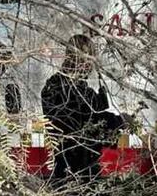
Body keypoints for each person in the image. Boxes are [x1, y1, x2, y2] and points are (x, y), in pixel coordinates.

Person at [41, 35, 125, 183]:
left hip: (84, 168)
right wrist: (119, 121)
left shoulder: (73, 88)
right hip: (72, 170)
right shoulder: (60, 89)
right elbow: (86, 127)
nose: (90, 65)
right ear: (76, 58)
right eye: (88, 59)